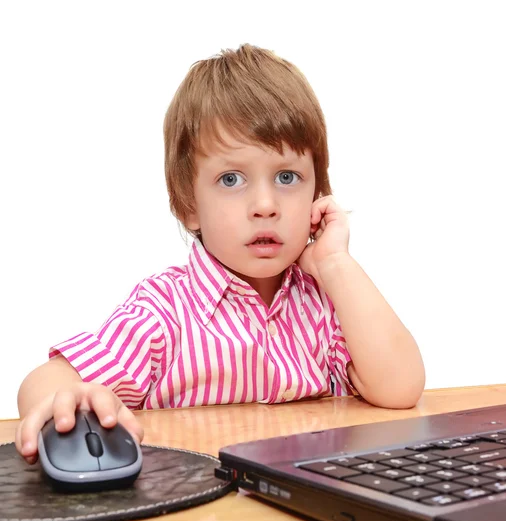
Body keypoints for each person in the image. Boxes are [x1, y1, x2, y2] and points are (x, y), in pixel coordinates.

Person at [16, 44, 425, 464]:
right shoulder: (164, 310)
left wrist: (336, 263)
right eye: (231, 179)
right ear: (188, 205)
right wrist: (68, 401)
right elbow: (48, 379)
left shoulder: (325, 302)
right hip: (204, 518)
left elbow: (401, 388)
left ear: (317, 195)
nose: (265, 204)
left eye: (288, 177)